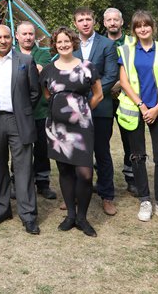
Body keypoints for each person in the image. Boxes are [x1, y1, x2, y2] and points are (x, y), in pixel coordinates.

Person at [116, 11, 158, 224]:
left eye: (146, 25)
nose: (143, 29)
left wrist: (156, 108)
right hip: (135, 109)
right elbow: (124, 82)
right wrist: (141, 105)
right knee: (137, 156)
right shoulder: (126, 50)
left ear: (152, 27)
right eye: (138, 26)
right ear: (134, 29)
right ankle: (145, 200)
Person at [40, 26, 104, 237]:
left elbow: (98, 95)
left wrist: (82, 111)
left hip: (82, 127)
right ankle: (70, 215)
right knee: (65, 172)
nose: (63, 45)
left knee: (85, 174)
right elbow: (47, 94)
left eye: (66, 41)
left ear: (73, 42)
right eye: (59, 42)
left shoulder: (87, 66)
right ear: (55, 45)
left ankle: (82, 218)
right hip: (57, 129)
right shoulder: (49, 69)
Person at [0, 25, 42, 234]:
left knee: (23, 167)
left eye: (6, 37)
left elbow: (34, 92)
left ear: (12, 39)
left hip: (18, 120)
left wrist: (23, 111)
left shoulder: (25, 61)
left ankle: (28, 215)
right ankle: (2, 209)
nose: (3, 41)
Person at [72, 7, 119, 216]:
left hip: (100, 108)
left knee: (102, 152)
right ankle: (74, 194)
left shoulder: (107, 45)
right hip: (74, 109)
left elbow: (111, 75)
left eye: (88, 19)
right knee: (78, 153)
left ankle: (106, 195)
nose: (85, 23)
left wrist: (93, 97)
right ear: (75, 23)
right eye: (80, 20)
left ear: (94, 21)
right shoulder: (69, 45)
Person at [15, 21, 57, 200]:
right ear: (17, 36)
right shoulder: (11, 53)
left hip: (40, 109)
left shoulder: (43, 54)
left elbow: (39, 73)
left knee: (41, 148)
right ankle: (18, 183)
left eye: (30, 34)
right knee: (19, 149)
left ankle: (42, 182)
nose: (27, 37)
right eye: (23, 34)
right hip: (17, 110)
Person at [103, 7, 137, 197]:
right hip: (105, 98)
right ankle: (102, 178)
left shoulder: (132, 43)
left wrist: (120, 84)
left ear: (122, 22)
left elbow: (137, 69)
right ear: (104, 23)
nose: (113, 23)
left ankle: (132, 178)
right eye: (109, 20)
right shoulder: (98, 42)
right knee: (101, 140)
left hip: (127, 98)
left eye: (116, 19)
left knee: (129, 140)